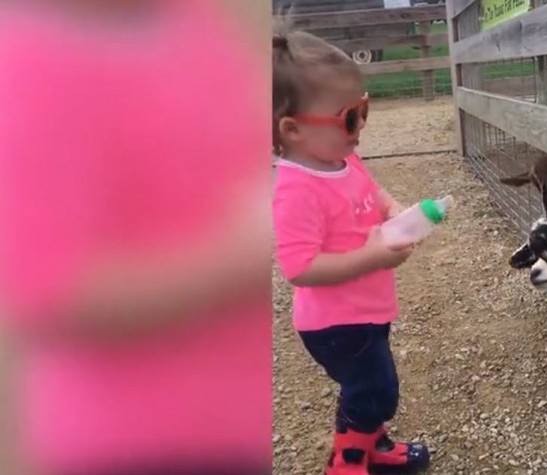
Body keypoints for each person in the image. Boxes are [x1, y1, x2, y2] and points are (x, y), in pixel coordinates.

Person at [0, 1, 272, 474]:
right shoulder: (29, 63)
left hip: (236, 412)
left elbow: (236, 157)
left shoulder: (193, 23)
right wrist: (235, 259)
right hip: (137, 440)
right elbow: (48, 292)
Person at [271, 29, 431, 475]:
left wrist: (392, 207)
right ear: (293, 129)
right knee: (376, 391)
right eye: (349, 118)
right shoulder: (296, 189)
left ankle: (372, 447)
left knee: (364, 390)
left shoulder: (341, 158)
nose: (361, 127)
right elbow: (298, 267)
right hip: (335, 323)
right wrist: (373, 257)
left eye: (364, 110)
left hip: (368, 310)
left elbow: (369, 190)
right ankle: (348, 463)